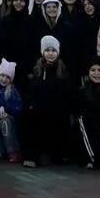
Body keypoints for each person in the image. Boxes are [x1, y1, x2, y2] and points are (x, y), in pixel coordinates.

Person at [22, 37, 73, 169]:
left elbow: (66, 93)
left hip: (57, 109)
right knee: (31, 118)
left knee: (62, 118)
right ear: (42, 52)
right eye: (47, 50)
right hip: (40, 108)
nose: (50, 53)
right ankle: (32, 156)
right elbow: (32, 91)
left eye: (53, 50)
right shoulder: (37, 70)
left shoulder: (62, 71)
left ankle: (59, 154)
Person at [75, 57, 100, 170]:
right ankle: (90, 158)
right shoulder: (82, 91)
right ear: (88, 72)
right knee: (84, 122)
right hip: (87, 126)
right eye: (93, 70)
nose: (96, 73)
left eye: (99, 70)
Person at [0, 59, 23, 162]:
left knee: (5, 121)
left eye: (7, 77)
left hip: (8, 124)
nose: (4, 79)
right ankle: (0, 146)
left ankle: (13, 151)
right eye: (2, 76)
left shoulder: (13, 90)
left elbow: (18, 107)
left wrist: (6, 109)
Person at [2, 0, 36, 86]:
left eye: (21, 0)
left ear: (26, 3)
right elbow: (3, 43)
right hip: (8, 67)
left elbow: (33, 46)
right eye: (16, 0)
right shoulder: (6, 20)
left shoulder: (31, 20)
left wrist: (29, 68)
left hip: (26, 69)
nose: (18, 3)